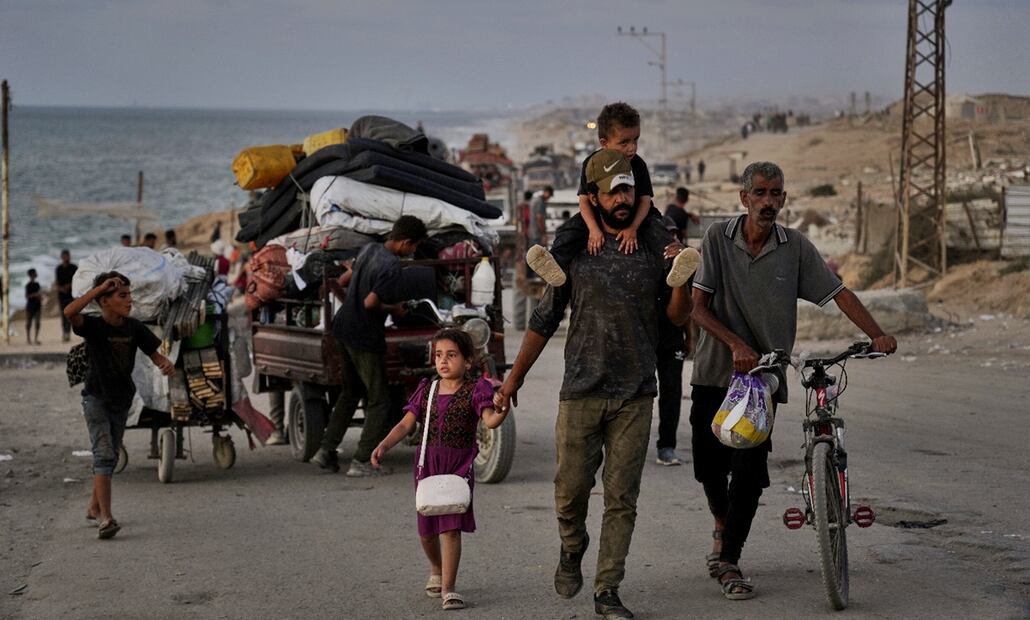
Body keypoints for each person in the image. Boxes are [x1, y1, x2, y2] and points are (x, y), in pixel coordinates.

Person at [495, 150, 695, 619]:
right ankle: (572, 547)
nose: (621, 199)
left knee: (622, 498)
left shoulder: (651, 246)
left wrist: (683, 281)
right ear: (595, 197)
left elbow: (677, 317)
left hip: (635, 393)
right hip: (581, 389)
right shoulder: (574, 254)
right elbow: (544, 319)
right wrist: (512, 381)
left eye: (627, 189)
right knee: (569, 494)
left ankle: (608, 589)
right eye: (612, 192)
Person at [689, 161, 897, 600]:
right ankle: (722, 525)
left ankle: (729, 560)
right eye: (760, 193)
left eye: (776, 194)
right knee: (709, 467)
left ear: (783, 199)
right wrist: (734, 344)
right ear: (744, 197)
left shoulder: (795, 247)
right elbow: (697, 308)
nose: (768, 202)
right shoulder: (716, 239)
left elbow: (837, 292)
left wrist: (875, 333)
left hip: (762, 382)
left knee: (747, 471)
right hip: (714, 374)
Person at [371, 329, 509, 611]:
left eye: (452, 355)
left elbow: (490, 421)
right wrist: (384, 445)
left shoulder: (476, 389)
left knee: (451, 528)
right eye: (439, 355)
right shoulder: (428, 389)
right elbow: (405, 425)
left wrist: (502, 409)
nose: (443, 361)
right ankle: (435, 568)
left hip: (458, 467)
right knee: (427, 529)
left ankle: (449, 588)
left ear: (468, 361)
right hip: (427, 465)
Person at [527, 102, 698, 290]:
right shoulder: (592, 163)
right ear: (604, 143)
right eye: (624, 142)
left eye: (635, 140)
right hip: (600, 212)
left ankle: (675, 264)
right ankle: (555, 263)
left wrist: (633, 228)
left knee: (657, 229)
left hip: (638, 212)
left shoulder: (638, 165)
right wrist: (593, 229)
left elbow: (644, 200)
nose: (632, 148)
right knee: (570, 230)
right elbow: (584, 200)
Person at [312, 215, 428, 476]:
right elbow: (370, 303)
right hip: (364, 334)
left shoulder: (370, 249)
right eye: (414, 247)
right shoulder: (391, 267)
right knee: (380, 400)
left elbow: (344, 280)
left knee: (350, 393)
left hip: (342, 327)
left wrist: (351, 299)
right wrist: (395, 309)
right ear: (406, 243)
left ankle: (325, 450)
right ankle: (361, 461)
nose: (413, 252)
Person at [65, 272, 175, 539]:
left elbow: (155, 354)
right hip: (96, 399)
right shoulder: (93, 326)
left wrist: (164, 363)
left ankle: (93, 508)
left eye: (129, 295)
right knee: (103, 455)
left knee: (111, 456)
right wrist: (98, 288)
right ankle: (106, 517)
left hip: (122, 399)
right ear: (104, 301)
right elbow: (70, 311)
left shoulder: (134, 328)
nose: (129, 301)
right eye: (122, 296)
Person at [55, 250, 78, 342]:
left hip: (71, 295)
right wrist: (61, 289)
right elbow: (57, 282)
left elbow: (77, 280)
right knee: (63, 314)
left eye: (67, 256)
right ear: (61, 257)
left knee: (70, 315)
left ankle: (68, 333)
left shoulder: (74, 267)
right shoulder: (58, 268)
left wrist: (69, 286)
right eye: (64, 256)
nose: (66, 258)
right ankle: (65, 333)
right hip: (61, 295)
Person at [24, 269, 43, 345]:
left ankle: (35, 339)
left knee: (37, 323)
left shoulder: (37, 284)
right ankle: (28, 339)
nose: (36, 274)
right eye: (35, 273)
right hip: (30, 306)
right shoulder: (28, 285)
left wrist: (39, 297)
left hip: (37, 305)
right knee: (29, 323)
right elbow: (27, 296)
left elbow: (39, 294)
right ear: (32, 275)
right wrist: (35, 295)